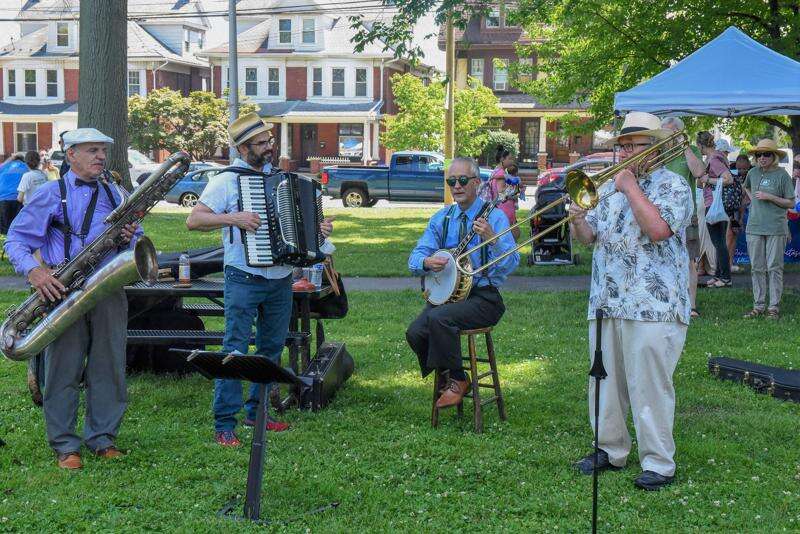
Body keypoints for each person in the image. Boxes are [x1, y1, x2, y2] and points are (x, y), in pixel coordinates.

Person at [186, 112, 334, 447]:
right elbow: (194, 220)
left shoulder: (282, 179)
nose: (269, 148)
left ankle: (258, 414)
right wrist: (233, 217)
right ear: (242, 148)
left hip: (280, 278)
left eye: (270, 141)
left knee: (269, 348)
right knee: (235, 349)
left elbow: (300, 222)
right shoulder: (226, 180)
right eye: (261, 143)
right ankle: (225, 422)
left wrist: (319, 228)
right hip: (243, 276)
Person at [4, 128, 141, 469]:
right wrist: (36, 273)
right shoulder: (50, 193)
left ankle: (103, 438)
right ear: (71, 155)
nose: (100, 157)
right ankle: (66, 445)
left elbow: (138, 240)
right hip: (63, 290)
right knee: (62, 369)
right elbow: (16, 241)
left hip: (107, 287)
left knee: (108, 365)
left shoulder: (117, 192)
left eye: (102, 151)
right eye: (92, 150)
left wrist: (130, 238)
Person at [568, 112, 692, 491]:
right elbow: (591, 238)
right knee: (603, 382)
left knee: (649, 385)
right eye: (620, 146)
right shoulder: (608, 189)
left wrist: (630, 187)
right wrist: (577, 220)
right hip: (607, 300)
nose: (621, 153)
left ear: (651, 148)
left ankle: (658, 462)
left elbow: (657, 230)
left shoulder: (674, 186)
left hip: (654, 306)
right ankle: (609, 448)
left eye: (629, 146)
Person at [406, 157, 519, 409]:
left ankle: (457, 380)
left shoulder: (496, 218)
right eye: (451, 181)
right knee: (415, 333)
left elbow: (511, 263)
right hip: (449, 298)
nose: (456, 186)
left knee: (439, 319)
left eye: (462, 180)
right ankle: (449, 372)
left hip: (484, 298)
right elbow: (414, 257)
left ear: (477, 183)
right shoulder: (441, 219)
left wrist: (492, 239)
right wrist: (426, 262)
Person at [742, 139, 794, 319]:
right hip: (754, 227)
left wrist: (769, 197)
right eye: (758, 154)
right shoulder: (753, 172)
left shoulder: (783, 176)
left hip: (776, 227)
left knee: (774, 267)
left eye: (766, 154)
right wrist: (754, 201)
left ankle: (773, 308)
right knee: (756, 268)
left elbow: (791, 202)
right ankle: (758, 306)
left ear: (774, 157)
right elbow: (746, 187)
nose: (762, 158)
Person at [661, 117, 706, 318]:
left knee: (689, 262)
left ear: (679, 133)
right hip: (661, 216)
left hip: (687, 217)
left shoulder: (691, 151)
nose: (665, 136)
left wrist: (684, 146)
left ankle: (691, 305)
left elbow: (698, 172)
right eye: (663, 132)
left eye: (669, 132)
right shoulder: (658, 153)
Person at [697, 131, 734, 288]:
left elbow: (728, 179)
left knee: (718, 242)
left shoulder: (714, 159)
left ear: (700, 145)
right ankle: (719, 275)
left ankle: (725, 278)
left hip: (714, 204)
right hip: (718, 204)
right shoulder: (718, 156)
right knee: (718, 242)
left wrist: (707, 179)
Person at [479, 146, 520, 239]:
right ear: (502, 159)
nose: (511, 161)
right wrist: (514, 195)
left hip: (499, 207)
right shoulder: (501, 174)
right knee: (508, 237)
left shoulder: (495, 171)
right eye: (509, 158)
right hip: (505, 208)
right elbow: (501, 194)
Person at [727, 154, 751, 273]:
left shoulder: (752, 174)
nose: (742, 171)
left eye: (744, 169)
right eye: (739, 168)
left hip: (743, 209)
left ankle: (730, 264)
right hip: (732, 209)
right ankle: (727, 264)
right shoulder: (730, 171)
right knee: (729, 237)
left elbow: (746, 196)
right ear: (735, 165)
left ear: (748, 166)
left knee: (734, 237)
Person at [0, 153, 29, 235]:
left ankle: (4, 246)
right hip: (18, 199)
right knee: (16, 228)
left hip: (2, 199)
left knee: (3, 230)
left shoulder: (4, 166)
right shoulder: (26, 166)